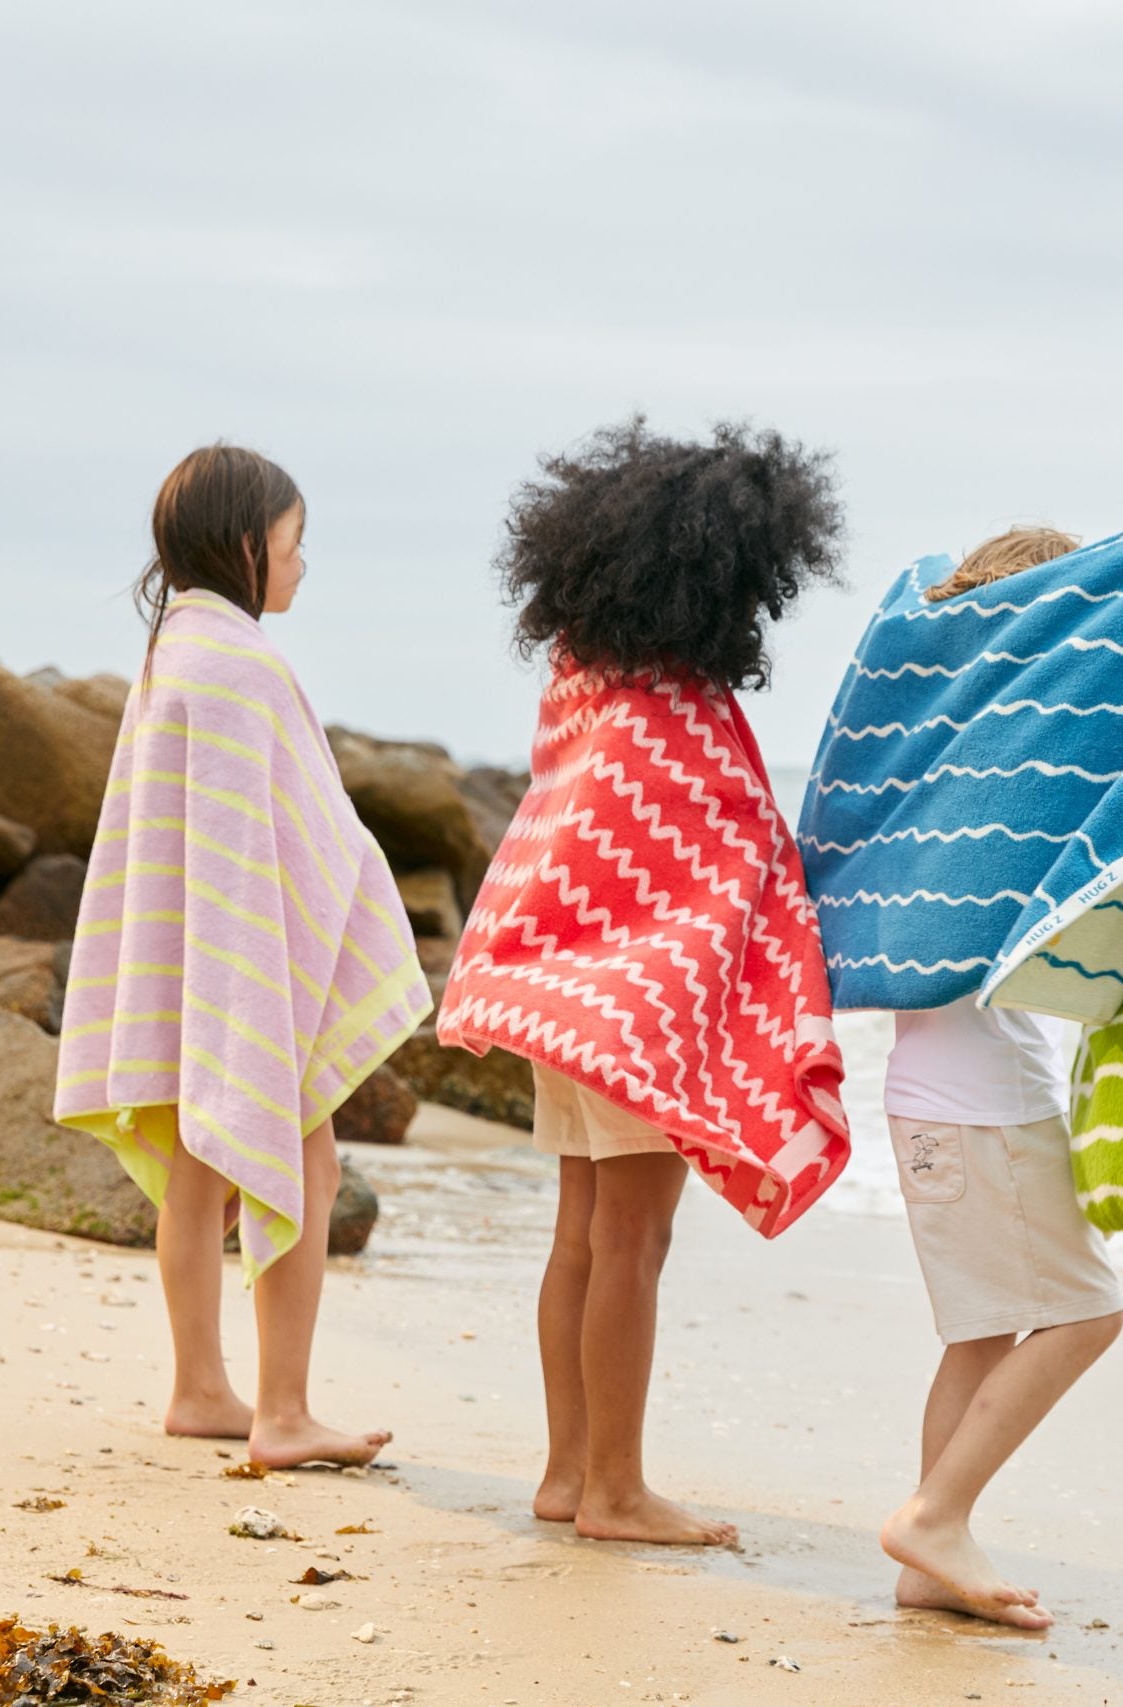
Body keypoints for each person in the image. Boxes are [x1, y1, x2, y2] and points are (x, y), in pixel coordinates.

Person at [438, 417, 850, 1547]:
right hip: (633, 1015)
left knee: (579, 1233)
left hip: (563, 999)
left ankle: (570, 1472)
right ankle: (615, 1491)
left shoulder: (589, 686)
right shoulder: (677, 714)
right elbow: (715, 874)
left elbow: (593, 850)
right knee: (632, 1242)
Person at [58, 443, 428, 1469]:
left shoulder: (172, 654)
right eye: (294, 544)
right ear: (246, 546)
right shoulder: (243, 666)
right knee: (300, 1156)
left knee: (196, 1164)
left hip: (193, 960)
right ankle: (285, 1411)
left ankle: (199, 1390)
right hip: (251, 960)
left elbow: (200, 844)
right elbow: (305, 842)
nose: (302, 565)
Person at [875, 527, 1123, 1632]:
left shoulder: (929, 763)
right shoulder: (1017, 771)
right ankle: (935, 1518)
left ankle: (928, 1557)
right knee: (1086, 1314)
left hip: (921, 1093)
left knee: (976, 1336)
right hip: (986, 1103)